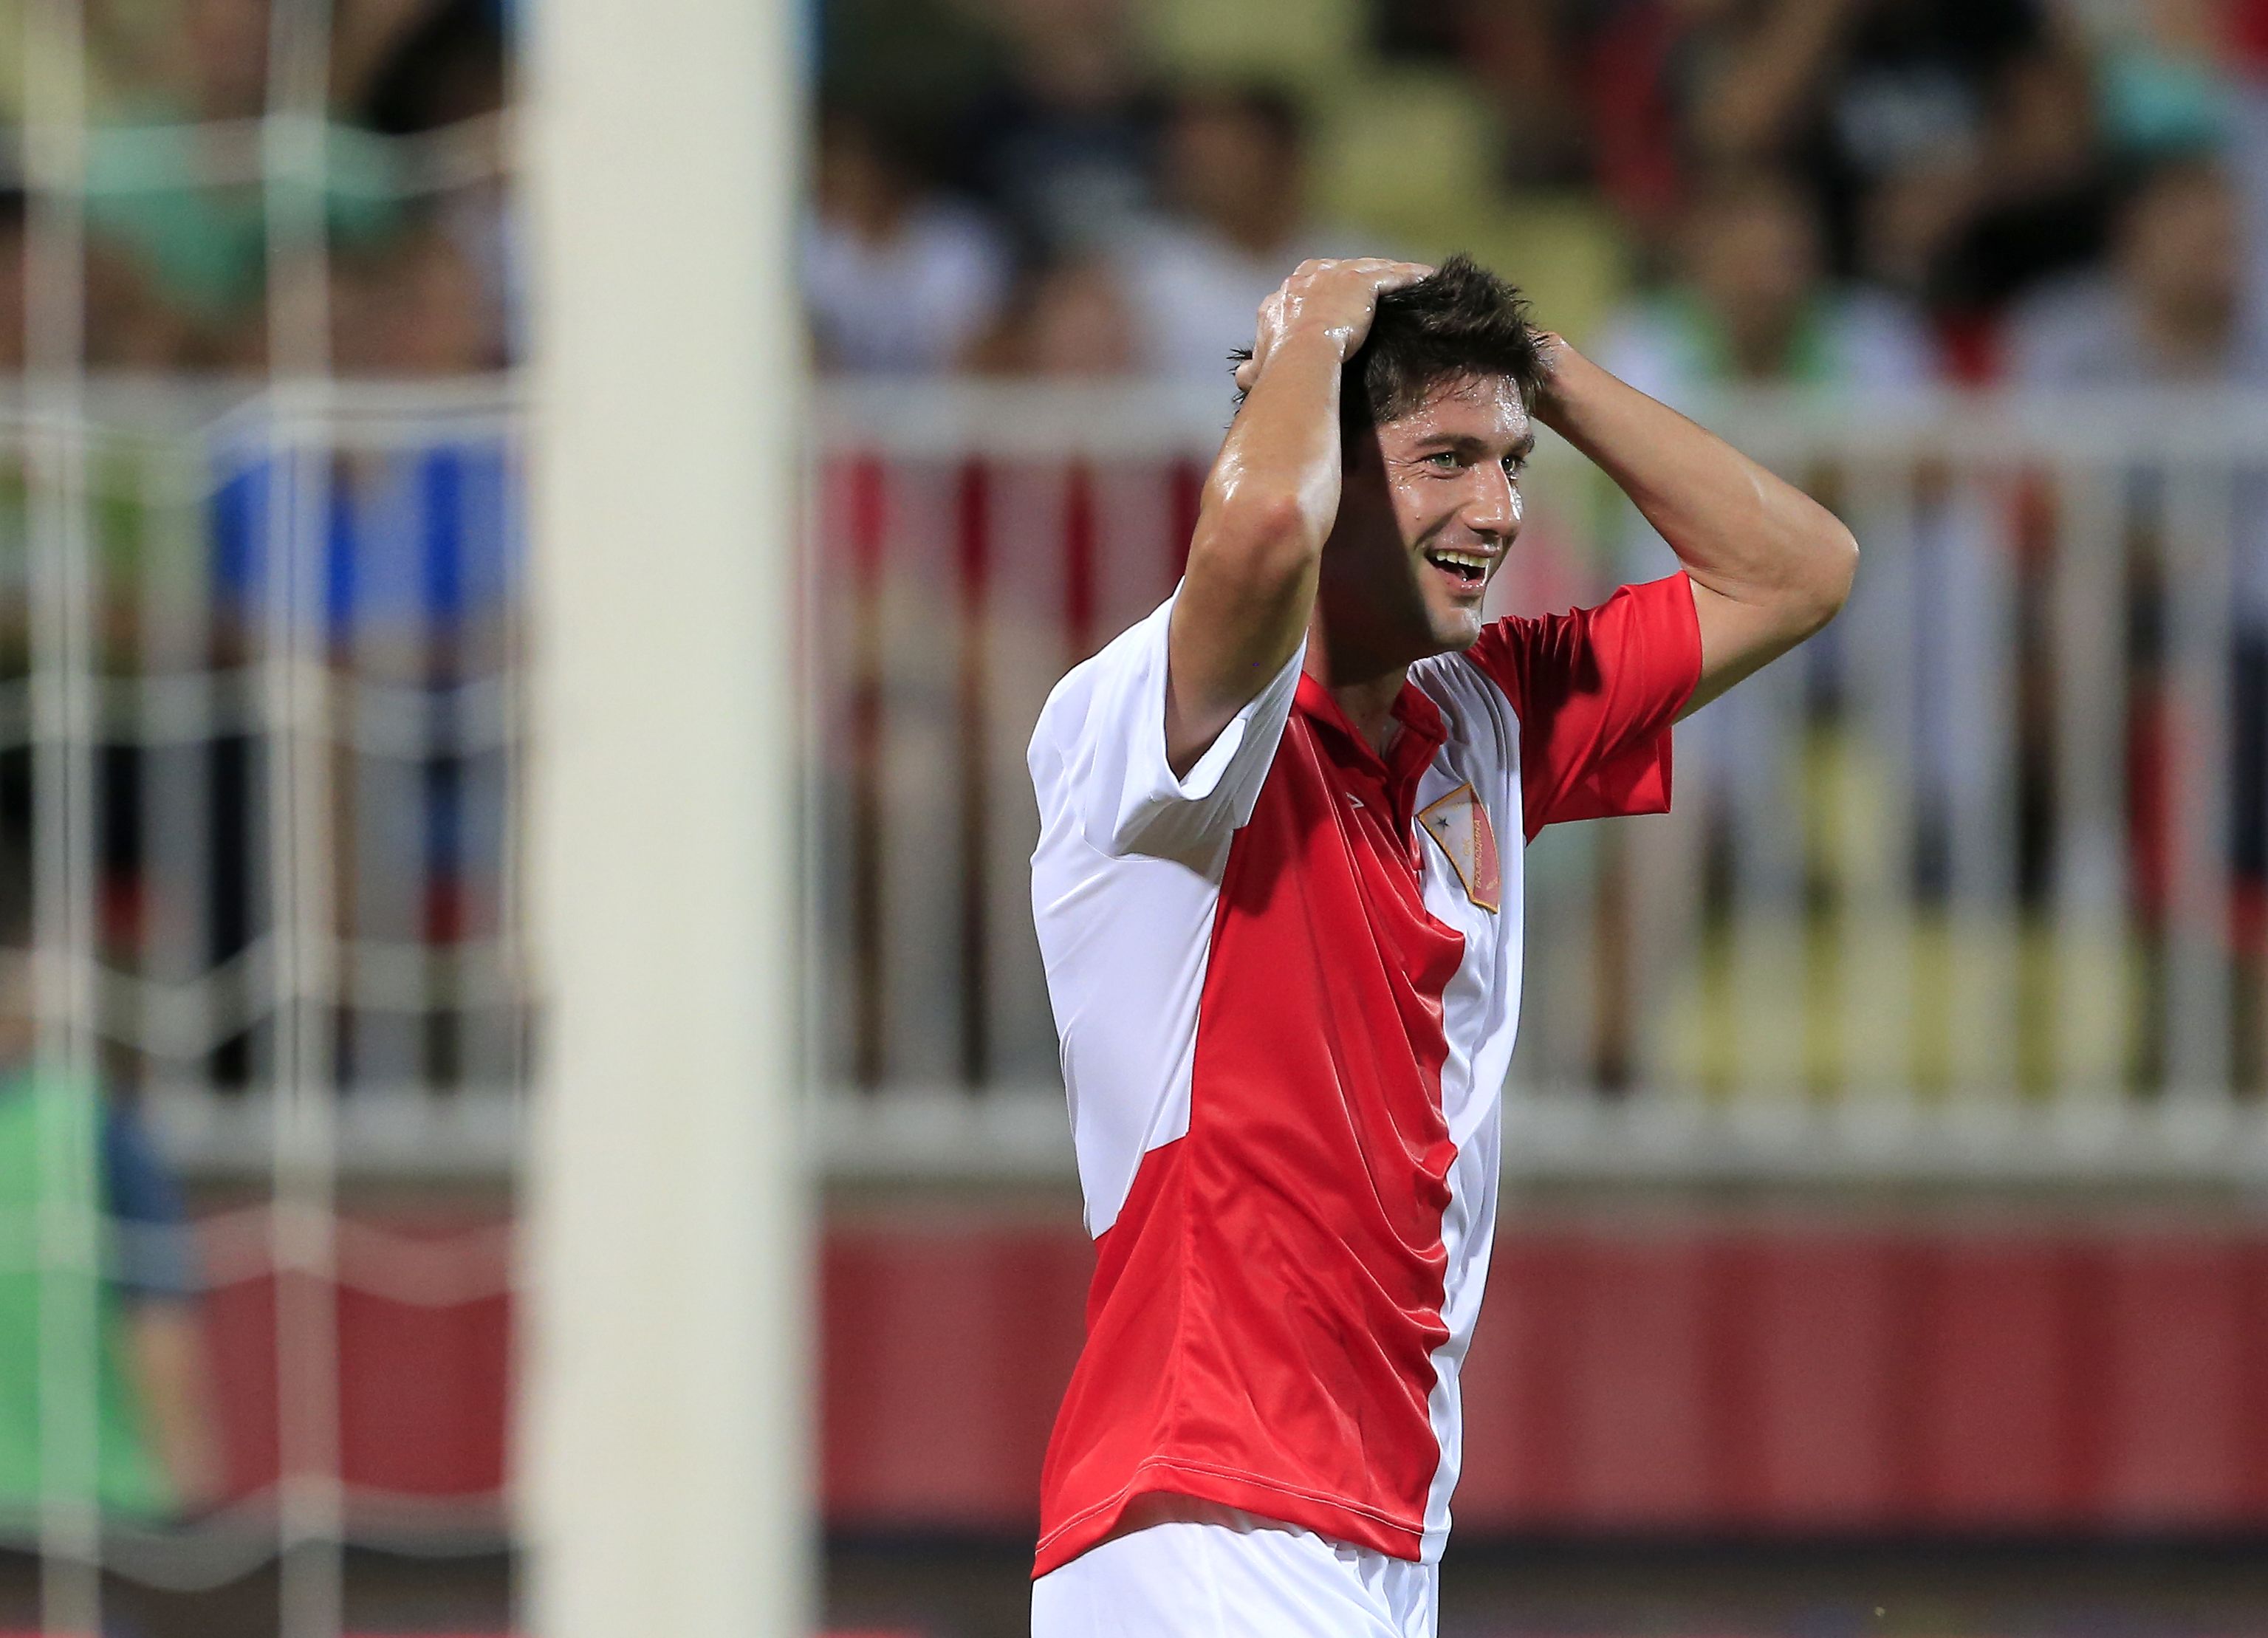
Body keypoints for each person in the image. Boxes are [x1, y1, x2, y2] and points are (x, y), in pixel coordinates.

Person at [1024, 256, 1855, 1633]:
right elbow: (1253, 550)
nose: (1501, 510)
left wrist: (1540, 365)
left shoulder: (1482, 719)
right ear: (1326, 474)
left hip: (1379, 1530)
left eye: (1510, 463)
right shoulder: (1153, 721)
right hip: (1198, 1509)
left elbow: (1799, 569)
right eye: (1445, 461)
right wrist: (1314, 334)